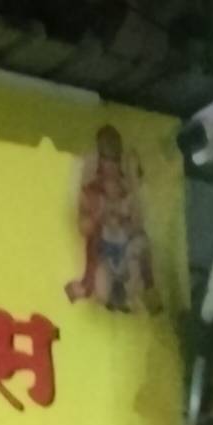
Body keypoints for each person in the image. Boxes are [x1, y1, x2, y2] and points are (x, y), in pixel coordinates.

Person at [64, 124, 159, 315]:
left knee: (142, 242)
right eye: (107, 160)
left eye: (115, 160)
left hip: (126, 251)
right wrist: (99, 214)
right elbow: (84, 227)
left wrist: (125, 216)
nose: (111, 166)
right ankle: (87, 284)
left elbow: (137, 223)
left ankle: (150, 291)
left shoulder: (127, 191)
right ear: (100, 161)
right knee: (101, 279)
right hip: (103, 253)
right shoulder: (90, 192)